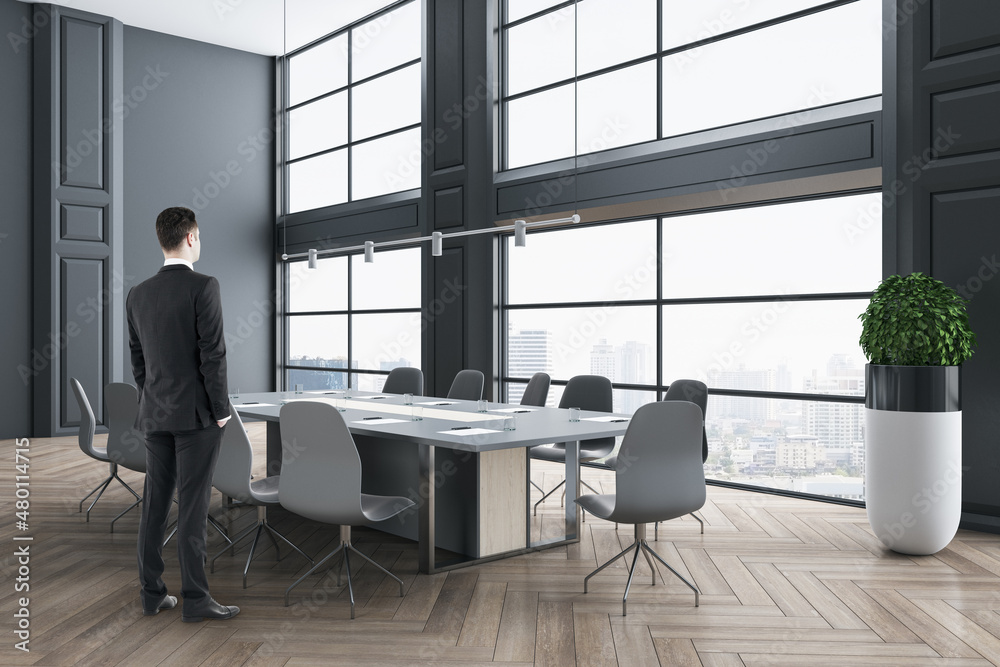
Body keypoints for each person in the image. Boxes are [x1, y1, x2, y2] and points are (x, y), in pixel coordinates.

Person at [127, 206, 239, 622]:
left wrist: (151, 398)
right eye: (200, 236)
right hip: (196, 417)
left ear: (162, 240)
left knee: (154, 506)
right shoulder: (204, 285)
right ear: (190, 237)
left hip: (154, 413)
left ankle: (151, 594)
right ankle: (195, 600)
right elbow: (214, 355)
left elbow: (139, 362)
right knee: (193, 507)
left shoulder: (137, 293)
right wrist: (221, 410)